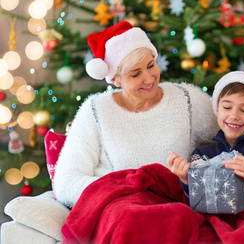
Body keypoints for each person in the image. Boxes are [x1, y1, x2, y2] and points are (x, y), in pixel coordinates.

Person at [53, 21, 219, 208]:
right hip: (120, 211)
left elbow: (234, 140)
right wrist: (116, 193)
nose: (149, 79)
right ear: (116, 80)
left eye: (151, 65)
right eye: (135, 74)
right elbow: (66, 181)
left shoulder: (188, 99)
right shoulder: (95, 111)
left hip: (176, 208)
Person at [168, 71, 244, 208]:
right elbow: (199, 201)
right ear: (217, 109)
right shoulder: (202, 155)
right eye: (227, 107)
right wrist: (186, 179)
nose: (234, 115)